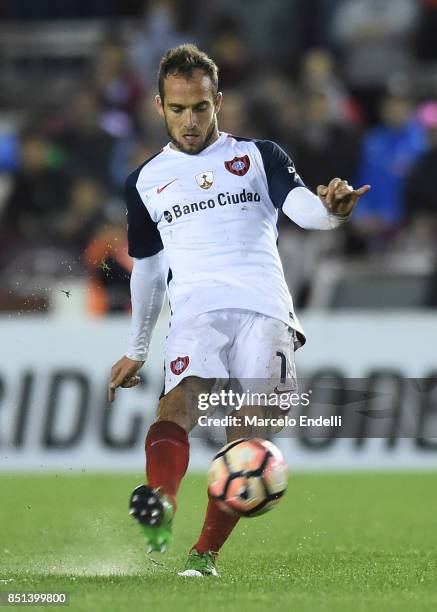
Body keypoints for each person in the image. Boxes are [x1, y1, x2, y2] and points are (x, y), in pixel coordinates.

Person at [108, 44, 369, 577]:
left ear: (218, 101)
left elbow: (303, 211)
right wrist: (136, 349)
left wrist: (332, 212)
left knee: (249, 435)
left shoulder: (259, 156)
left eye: (200, 107)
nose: (190, 121)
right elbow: (151, 270)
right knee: (177, 406)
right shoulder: (145, 181)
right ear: (159, 107)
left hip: (264, 311)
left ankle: (203, 557)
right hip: (196, 312)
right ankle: (163, 505)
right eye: (178, 109)